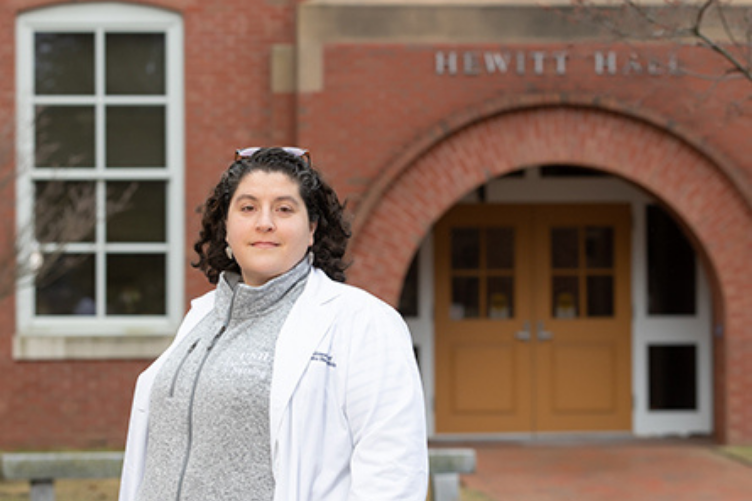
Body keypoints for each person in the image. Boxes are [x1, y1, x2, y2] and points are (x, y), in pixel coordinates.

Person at [118, 147, 428, 501]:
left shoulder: (363, 322)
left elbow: (393, 473)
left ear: (311, 229)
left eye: (284, 209)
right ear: (226, 228)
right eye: (248, 208)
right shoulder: (201, 319)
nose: (264, 222)